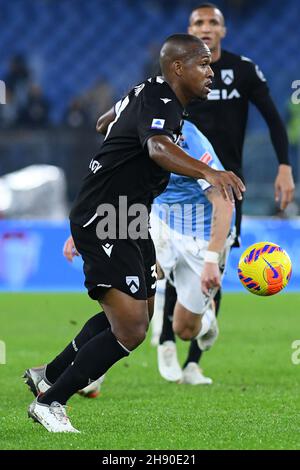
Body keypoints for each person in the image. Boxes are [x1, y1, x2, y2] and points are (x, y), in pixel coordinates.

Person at [24, 34, 245, 433]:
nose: (211, 72)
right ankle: (51, 401)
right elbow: (158, 149)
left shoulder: (152, 93)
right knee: (131, 330)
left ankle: (49, 375)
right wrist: (209, 170)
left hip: (129, 215)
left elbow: (105, 118)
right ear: (177, 68)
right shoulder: (162, 103)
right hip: (107, 215)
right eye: (203, 64)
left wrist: (113, 118)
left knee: (136, 313)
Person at [156, 2, 295, 384]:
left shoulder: (243, 70)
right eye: (198, 21)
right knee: (169, 265)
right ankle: (166, 337)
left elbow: (273, 120)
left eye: (212, 22)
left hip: (227, 184)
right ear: (189, 29)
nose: (205, 27)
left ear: (223, 31)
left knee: (212, 267)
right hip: (178, 185)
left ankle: (193, 363)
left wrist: (285, 167)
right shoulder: (178, 71)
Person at [151, 119, 235, 384]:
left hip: (199, 235)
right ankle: (88, 373)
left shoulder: (191, 142)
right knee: (131, 298)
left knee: (185, 329)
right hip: (160, 221)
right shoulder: (138, 129)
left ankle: (206, 321)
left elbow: (223, 200)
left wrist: (212, 259)